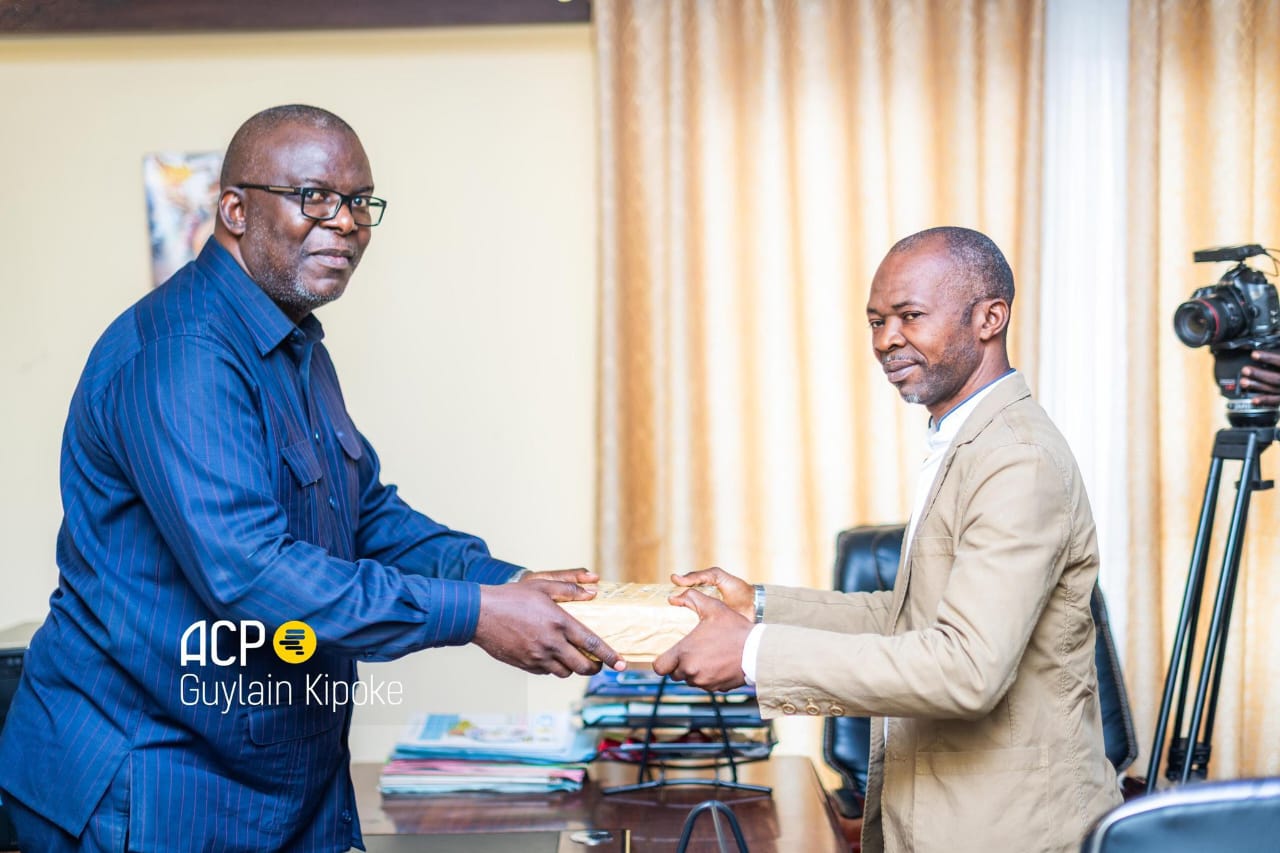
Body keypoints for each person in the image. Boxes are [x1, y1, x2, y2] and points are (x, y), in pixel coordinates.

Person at [0, 104, 622, 853]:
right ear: (234, 210)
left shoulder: (296, 344)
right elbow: (252, 572)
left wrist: (506, 582)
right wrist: (476, 613)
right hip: (151, 781)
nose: (347, 223)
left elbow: (366, 516)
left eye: (360, 202)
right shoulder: (183, 354)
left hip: (271, 776)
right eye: (315, 198)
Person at [653, 226, 1122, 853]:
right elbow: (908, 617)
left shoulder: (1017, 459)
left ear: (990, 318)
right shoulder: (968, 440)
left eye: (909, 316)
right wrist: (757, 607)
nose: (885, 340)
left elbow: (966, 669)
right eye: (876, 321)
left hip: (1009, 833)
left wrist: (752, 654)